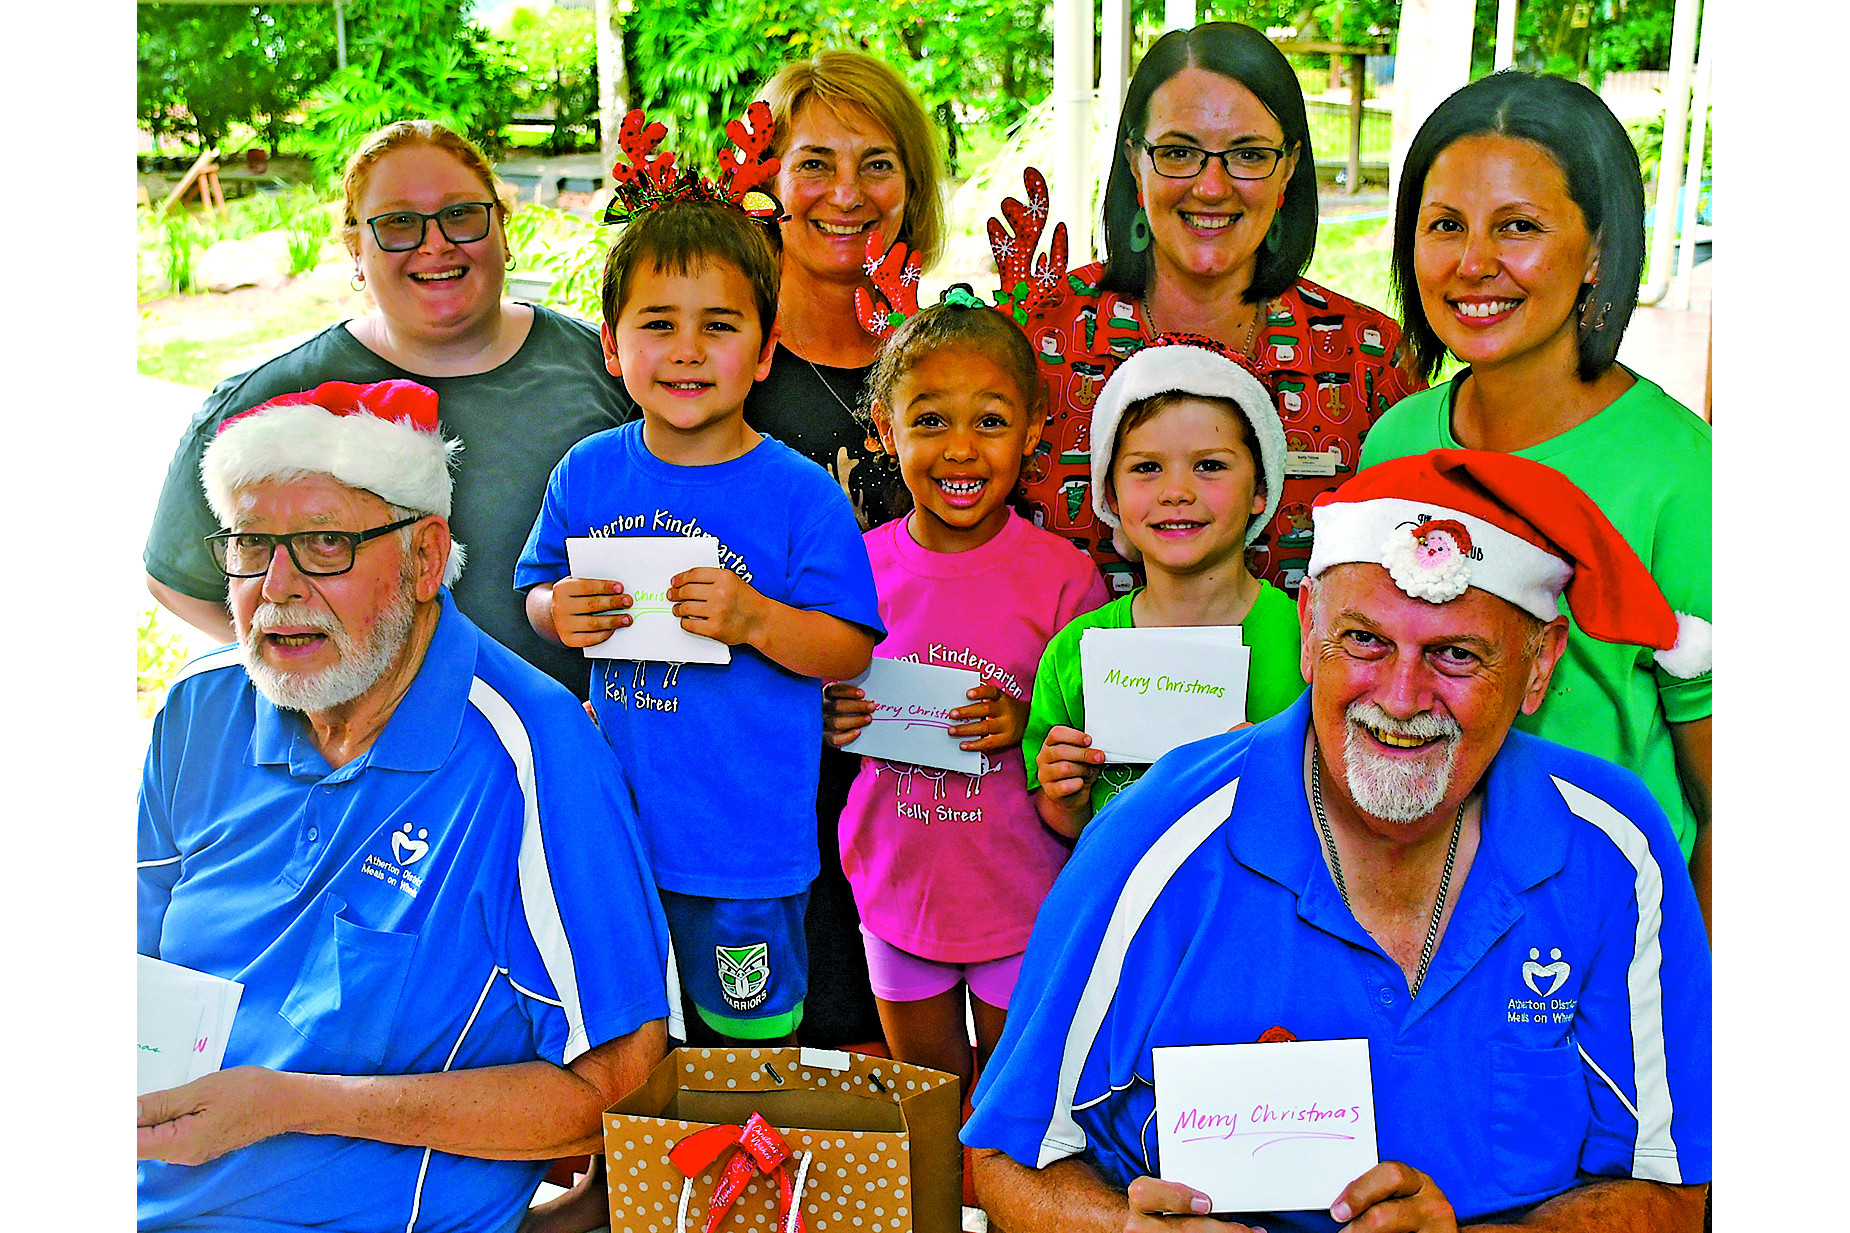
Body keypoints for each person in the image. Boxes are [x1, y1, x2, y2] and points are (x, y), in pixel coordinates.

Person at [963, 450, 1710, 1232]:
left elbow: (1676, 1188)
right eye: (1364, 640)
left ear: (1538, 664)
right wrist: (1121, 1230)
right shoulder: (1158, 835)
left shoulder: (1613, 851)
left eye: (1456, 654)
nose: (1401, 697)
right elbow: (1007, 1156)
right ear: (1310, 624)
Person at [137, 380, 673, 1232]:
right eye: (249, 544)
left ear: (427, 558)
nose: (276, 587)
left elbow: (613, 1090)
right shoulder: (198, 713)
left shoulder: (531, 751)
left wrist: (291, 1104)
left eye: (323, 543)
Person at [518, 197, 882, 1046]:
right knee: (623, 1036)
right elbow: (536, 591)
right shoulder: (588, 474)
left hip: (745, 852)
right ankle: (629, 1183)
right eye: (657, 324)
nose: (686, 350)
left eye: (719, 325)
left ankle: (746, 1183)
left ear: (765, 351)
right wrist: (555, 611)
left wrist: (757, 619)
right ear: (612, 346)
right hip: (614, 834)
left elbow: (849, 645)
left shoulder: (799, 494)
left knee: (745, 1052)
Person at [1358, 71, 1712, 929]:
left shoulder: (1683, 474)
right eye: (1445, 226)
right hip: (1412, 919)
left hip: (1600, 937)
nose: (1474, 261)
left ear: (1597, 252)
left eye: (1518, 226)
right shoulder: (1395, 442)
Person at [143, 120, 637, 698]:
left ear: (501, 228)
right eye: (399, 223)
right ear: (356, 249)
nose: (435, 244)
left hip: (576, 752)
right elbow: (179, 582)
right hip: (374, 777)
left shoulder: (610, 371)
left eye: (461, 214)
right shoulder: (271, 398)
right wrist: (322, 670)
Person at [998, 22, 1420, 595]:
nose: (1212, 187)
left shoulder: (1368, 358)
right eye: (1178, 153)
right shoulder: (1037, 340)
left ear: (1291, 164)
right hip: (1050, 685)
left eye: (1248, 155)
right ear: (1133, 159)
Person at [820, 298, 1109, 1097]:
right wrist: (829, 719)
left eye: (989, 420)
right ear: (884, 427)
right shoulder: (856, 569)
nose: (960, 449)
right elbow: (811, 696)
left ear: (1033, 427)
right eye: (930, 420)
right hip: (896, 885)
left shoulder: (1063, 578)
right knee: (928, 1103)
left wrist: (1026, 724)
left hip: (1022, 894)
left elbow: (1091, 736)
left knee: (1016, 1106)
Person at [748, 49, 952, 1048]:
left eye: (876, 164)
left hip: (920, 791)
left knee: (901, 1086)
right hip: (759, 786)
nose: (845, 194)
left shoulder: (946, 362)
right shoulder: (712, 361)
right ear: (766, 182)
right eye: (813, 163)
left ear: (911, 187)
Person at [1027, 335, 1305, 836]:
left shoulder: (1310, 644)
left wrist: (1274, 780)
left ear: (1261, 489)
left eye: (1210, 466)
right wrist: (1064, 792)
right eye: (1147, 468)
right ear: (1110, 493)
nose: (1176, 492)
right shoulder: (1074, 653)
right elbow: (1065, 826)